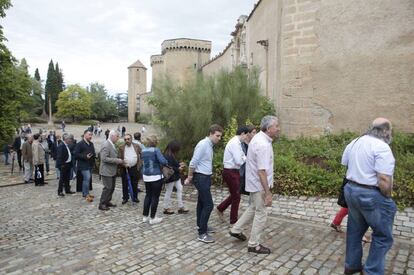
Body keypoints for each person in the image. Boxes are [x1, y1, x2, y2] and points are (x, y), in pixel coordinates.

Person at [342, 118, 396, 275]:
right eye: (390, 131)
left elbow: (345, 162)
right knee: (383, 236)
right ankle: (371, 271)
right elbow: (384, 180)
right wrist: (388, 198)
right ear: (385, 131)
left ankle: (351, 266)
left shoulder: (355, 141)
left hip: (351, 190)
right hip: (371, 194)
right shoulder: (382, 147)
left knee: (354, 232)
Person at [229, 116, 280, 254]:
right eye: (276, 126)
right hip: (259, 185)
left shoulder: (258, 138)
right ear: (268, 129)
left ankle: (236, 229)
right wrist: (268, 193)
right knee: (261, 212)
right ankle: (253, 244)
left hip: (253, 182)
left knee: (253, 207)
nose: (278, 128)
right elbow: (262, 171)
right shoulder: (263, 144)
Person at [184, 124, 223, 243]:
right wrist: (190, 177)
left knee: (201, 203)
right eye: (217, 136)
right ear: (211, 133)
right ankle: (202, 233)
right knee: (209, 205)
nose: (219, 138)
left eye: (220, 136)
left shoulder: (209, 145)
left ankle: (201, 225)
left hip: (205, 177)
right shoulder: (203, 144)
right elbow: (193, 163)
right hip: (200, 178)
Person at [216, 126, 250, 225]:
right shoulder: (235, 143)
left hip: (233, 172)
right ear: (243, 133)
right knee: (236, 197)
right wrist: (244, 158)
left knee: (235, 195)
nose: (246, 138)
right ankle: (233, 221)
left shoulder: (238, 142)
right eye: (246, 135)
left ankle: (220, 208)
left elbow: (243, 156)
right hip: (230, 172)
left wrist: (243, 158)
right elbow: (239, 161)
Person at [141, 135, 168, 224]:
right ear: (155, 142)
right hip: (155, 176)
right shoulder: (156, 150)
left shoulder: (143, 150)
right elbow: (163, 161)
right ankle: (153, 218)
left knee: (148, 195)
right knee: (155, 197)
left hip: (146, 176)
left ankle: (145, 217)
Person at [98, 130, 125, 211]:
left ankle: (107, 201)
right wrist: (117, 160)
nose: (118, 138)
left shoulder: (111, 144)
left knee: (112, 187)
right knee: (107, 187)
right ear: (112, 136)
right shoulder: (106, 144)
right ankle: (102, 204)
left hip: (112, 170)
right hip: (106, 171)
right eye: (117, 136)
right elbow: (104, 158)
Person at [163, 140, 189, 215]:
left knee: (180, 189)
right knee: (169, 191)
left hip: (175, 176)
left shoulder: (170, 154)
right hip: (170, 177)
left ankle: (181, 206)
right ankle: (166, 208)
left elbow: (173, 164)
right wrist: (178, 168)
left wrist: (179, 164)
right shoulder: (167, 155)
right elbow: (169, 167)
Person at [119, 134, 142, 204]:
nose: (127, 140)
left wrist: (140, 164)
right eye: (125, 139)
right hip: (125, 168)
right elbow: (119, 158)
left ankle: (135, 197)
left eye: (128, 139)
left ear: (131, 139)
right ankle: (125, 198)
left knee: (134, 183)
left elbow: (142, 155)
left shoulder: (136, 146)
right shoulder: (121, 147)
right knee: (125, 183)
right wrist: (123, 164)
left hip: (135, 168)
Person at [74, 130, 96, 202]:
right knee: (86, 179)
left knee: (87, 180)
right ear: (84, 134)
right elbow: (76, 155)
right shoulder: (79, 144)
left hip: (90, 164)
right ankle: (86, 195)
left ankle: (86, 193)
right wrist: (85, 156)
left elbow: (93, 152)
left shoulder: (91, 143)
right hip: (83, 165)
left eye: (91, 135)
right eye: (89, 135)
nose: (90, 136)